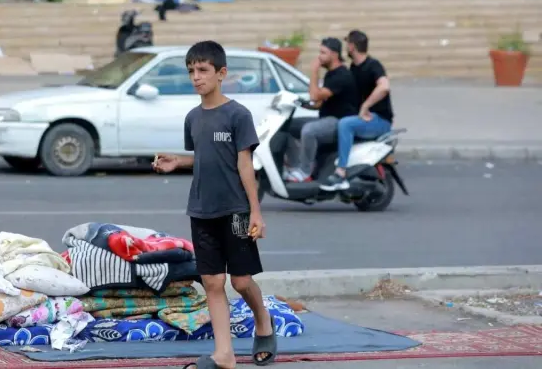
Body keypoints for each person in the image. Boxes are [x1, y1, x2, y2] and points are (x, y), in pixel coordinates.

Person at [153, 41, 277, 369]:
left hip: (235, 210)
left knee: (240, 281)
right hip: (201, 209)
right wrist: (178, 161)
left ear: (221, 74)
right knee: (211, 281)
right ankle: (224, 354)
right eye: (191, 71)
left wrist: (255, 211)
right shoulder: (193, 118)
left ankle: (262, 320)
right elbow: (206, 158)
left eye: (203, 70)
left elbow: (244, 165)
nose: (196, 77)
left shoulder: (238, 115)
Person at [320, 30, 393, 191]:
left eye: (347, 44)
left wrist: (365, 106)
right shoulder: (353, 68)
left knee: (346, 124)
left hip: (379, 120)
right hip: (365, 119)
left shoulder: (373, 66)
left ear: (352, 47)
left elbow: (384, 87)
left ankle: (340, 173)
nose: (346, 48)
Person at [285, 38, 358, 183]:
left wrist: (314, 71)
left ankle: (305, 172)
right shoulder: (331, 73)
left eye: (323, 53)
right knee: (286, 126)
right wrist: (299, 103)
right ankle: (295, 165)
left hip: (339, 121)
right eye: (320, 52)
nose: (320, 56)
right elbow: (318, 103)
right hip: (326, 118)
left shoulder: (341, 75)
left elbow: (315, 95)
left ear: (335, 55)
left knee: (309, 130)